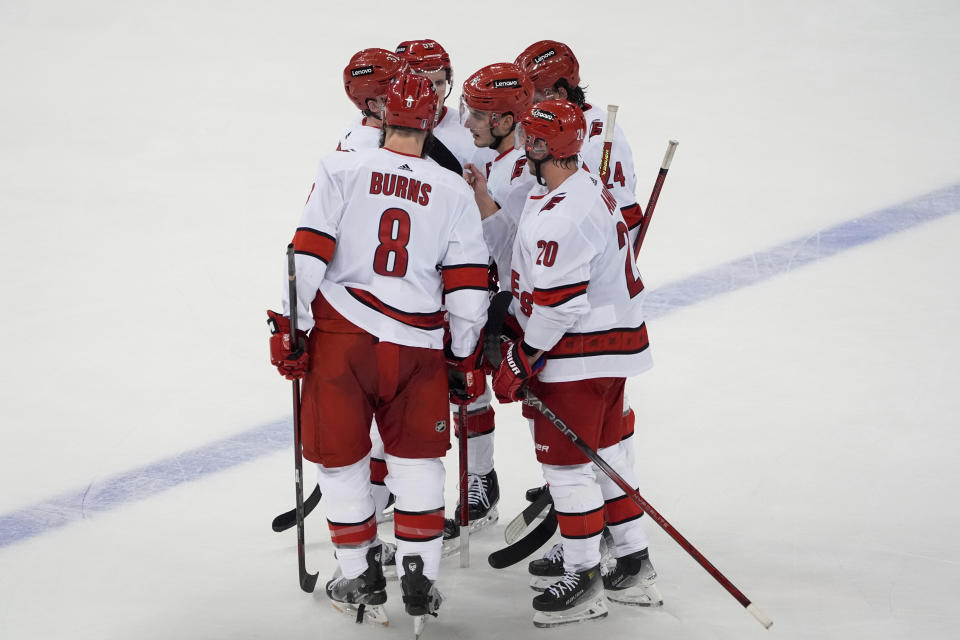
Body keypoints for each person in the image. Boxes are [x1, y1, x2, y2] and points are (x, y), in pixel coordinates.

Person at [267, 73, 489, 623]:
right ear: (433, 119)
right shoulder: (454, 189)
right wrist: (461, 356)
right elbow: (467, 288)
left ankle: (359, 572)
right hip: (417, 346)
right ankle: (420, 576)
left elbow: (307, 255)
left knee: (341, 460)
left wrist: (288, 331)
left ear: (385, 115)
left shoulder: (340, 168)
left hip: (343, 339)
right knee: (418, 461)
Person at [491, 99, 661, 627]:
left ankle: (585, 579)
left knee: (567, 470)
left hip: (577, 357)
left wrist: (520, 358)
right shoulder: (587, 184)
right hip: (613, 351)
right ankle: (632, 562)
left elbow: (560, 307)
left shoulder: (560, 218)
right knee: (608, 456)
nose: (522, 148)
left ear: (543, 148)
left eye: (529, 141)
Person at [438, 63, 538, 549]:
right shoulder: (499, 163)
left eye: (478, 114)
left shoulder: (523, 173)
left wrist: (475, 201)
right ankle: (480, 482)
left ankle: (568, 490)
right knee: (468, 387)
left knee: (541, 406)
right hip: (482, 297)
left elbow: (511, 249)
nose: (468, 121)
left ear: (504, 120)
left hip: (515, 307)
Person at [394, 39, 484, 171]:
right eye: (424, 83)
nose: (434, 91)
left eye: (440, 83)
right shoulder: (377, 129)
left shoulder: (470, 128)